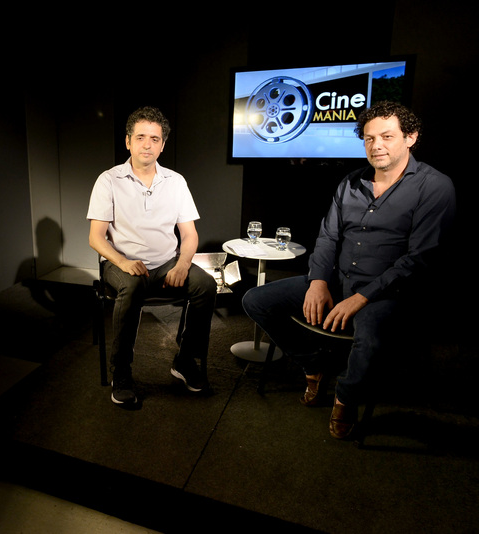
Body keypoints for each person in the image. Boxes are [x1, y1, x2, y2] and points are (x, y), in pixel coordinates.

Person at [242, 101, 456, 439]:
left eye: (387, 136)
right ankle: (313, 365)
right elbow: (328, 237)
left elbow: (419, 258)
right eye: (369, 138)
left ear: (411, 137)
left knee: (369, 336)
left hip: (389, 293)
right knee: (255, 300)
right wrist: (317, 282)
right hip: (338, 281)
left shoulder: (435, 186)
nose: (376, 145)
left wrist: (360, 298)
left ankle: (345, 397)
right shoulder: (351, 182)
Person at [87, 106, 217, 407]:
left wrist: (183, 264)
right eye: (141, 137)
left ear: (162, 144)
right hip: (121, 261)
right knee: (131, 285)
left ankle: (185, 360)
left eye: (155, 139)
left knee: (206, 285)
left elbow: (189, 235)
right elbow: (96, 237)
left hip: (166, 262)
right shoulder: (108, 180)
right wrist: (123, 262)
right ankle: (121, 372)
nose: (148, 145)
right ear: (128, 142)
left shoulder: (175, 181)